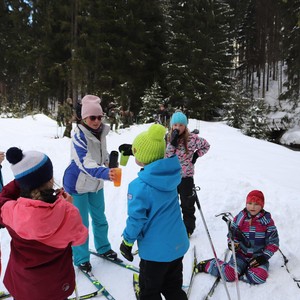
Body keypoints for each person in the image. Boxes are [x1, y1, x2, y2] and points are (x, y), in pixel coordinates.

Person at [0, 147, 88, 300]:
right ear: (50, 179)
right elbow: (79, 238)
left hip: (23, 286)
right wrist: (69, 206)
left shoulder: (11, 211)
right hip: (56, 285)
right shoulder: (68, 212)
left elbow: (3, 199)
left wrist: (21, 179)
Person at [119, 124, 189, 300]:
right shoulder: (171, 175)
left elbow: (136, 219)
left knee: (150, 291)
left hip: (155, 253)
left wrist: (127, 242)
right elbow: (153, 155)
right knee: (173, 287)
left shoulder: (139, 186)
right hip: (177, 245)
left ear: (141, 157)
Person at [63, 94, 119, 273]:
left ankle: (103, 248)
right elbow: (85, 162)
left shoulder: (101, 131)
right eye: (92, 117)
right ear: (83, 118)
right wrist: (105, 172)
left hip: (95, 182)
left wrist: (110, 162)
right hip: (77, 184)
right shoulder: (78, 135)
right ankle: (81, 258)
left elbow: (101, 155)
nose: (96, 121)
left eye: (99, 117)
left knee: (100, 218)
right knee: (81, 224)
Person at [195, 190, 279, 285]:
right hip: (241, 255)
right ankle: (210, 264)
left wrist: (264, 257)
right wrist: (232, 243)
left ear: (262, 205)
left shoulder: (267, 221)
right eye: (250, 203)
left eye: (256, 204)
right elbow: (232, 234)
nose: (252, 207)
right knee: (229, 275)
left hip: (258, 257)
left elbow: (273, 243)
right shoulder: (240, 217)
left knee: (259, 277)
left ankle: (242, 273)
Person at [165, 110, 210, 237]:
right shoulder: (168, 137)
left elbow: (206, 146)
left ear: (185, 126)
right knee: (171, 204)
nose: (177, 128)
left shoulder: (193, 139)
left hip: (186, 177)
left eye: (181, 125)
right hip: (172, 177)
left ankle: (188, 228)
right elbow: (167, 156)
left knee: (188, 204)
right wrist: (172, 142)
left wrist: (196, 155)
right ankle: (172, 226)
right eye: (175, 125)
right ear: (171, 125)